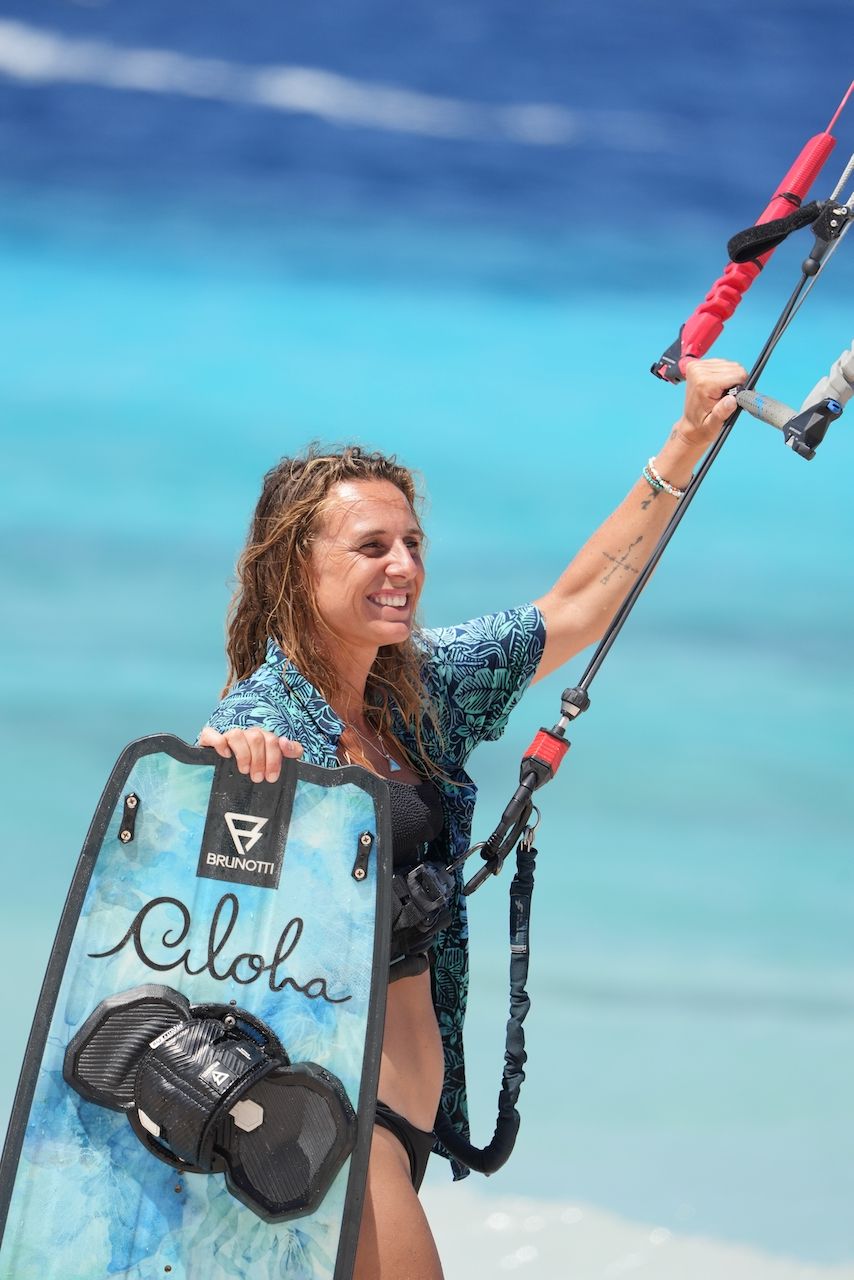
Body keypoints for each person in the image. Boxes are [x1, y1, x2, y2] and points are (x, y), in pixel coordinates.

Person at [199, 356, 746, 1280]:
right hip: (323, 1108)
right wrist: (224, 773)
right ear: (298, 564)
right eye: (372, 546)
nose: (404, 567)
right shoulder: (267, 725)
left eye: (413, 543)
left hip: (409, 1118)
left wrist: (687, 441)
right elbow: (200, 895)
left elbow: (578, 605)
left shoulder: (419, 689)